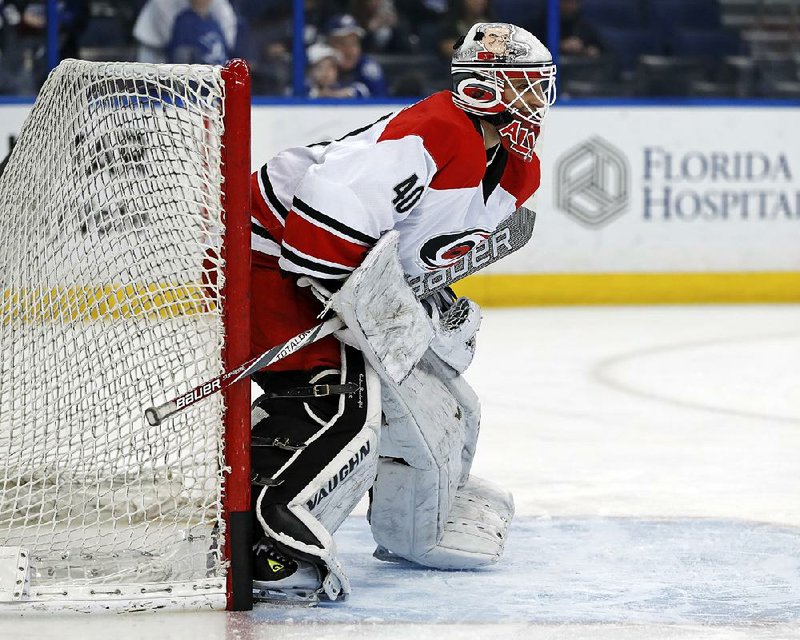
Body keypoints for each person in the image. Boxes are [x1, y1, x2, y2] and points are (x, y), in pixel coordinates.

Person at [246, 21, 557, 603]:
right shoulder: (438, 129)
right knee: (337, 399)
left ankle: (420, 521)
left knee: (435, 391)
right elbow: (329, 200)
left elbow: (414, 252)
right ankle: (263, 544)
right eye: (526, 84)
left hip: (316, 265)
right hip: (265, 251)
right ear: (485, 86)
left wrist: (426, 302)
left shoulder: (517, 167)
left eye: (543, 85)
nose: (538, 99)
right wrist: (337, 285)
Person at [133, 0, 236, 64]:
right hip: (158, 60)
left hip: (209, 73)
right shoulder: (164, 3)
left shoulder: (221, 7)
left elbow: (227, 45)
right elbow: (172, 45)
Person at [323, 13, 387, 97]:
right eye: (342, 43)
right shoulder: (319, 65)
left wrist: (350, 93)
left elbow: (380, 100)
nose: (349, 50)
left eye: (354, 43)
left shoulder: (367, 67)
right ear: (328, 45)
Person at [167, 0, 229, 65]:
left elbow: (225, 51)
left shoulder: (214, 22)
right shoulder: (184, 21)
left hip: (220, 69)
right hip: (200, 70)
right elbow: (179, 54)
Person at [304, 41, 369, 98]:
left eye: (332, 66)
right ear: (310, 70)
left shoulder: (341, 86)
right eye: (320, 67)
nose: (327, 72)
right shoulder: (304, 89)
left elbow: (362, 91)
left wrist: (336, 94)